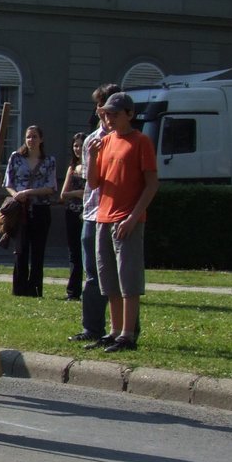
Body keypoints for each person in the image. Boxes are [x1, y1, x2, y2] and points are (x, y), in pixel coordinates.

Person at [86, 92, 158, 353]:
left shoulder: (141, 142)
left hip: (127, 220)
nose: (109, 119)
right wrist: (92, 157)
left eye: (115, 114)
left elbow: (151, 185)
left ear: (130, 114)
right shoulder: (105, 142)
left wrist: (133, 217)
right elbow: (93, 183)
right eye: (106, 114)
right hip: (103, 218)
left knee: (128, 279)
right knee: (108, 280)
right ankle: (114, 331)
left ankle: (128, 335)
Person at [70, 83, 121, 344]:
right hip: (93, 213)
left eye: (109, 106)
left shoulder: (127, 139)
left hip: (119, 214)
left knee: (121, 276)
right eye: (100, 105)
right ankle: (92, 328)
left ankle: (124, 330)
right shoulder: (92, 140)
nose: (103, 111)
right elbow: (92, 181)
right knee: (92, 274)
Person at [4, 125, 58, 297]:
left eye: (34, 137)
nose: (31, 140)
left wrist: (29, 192)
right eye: (28, 137)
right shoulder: (16, 157)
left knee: (38, 250)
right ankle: (19, 289)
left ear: (41, 139)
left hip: (40, 209)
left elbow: (51, 187)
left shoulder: (49, 161)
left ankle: (35, 289)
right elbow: (8, 183)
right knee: (20, 250)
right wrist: (16, 195)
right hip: (20, 210)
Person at [58, 131, 86, 300]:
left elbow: (92, 192)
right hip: (72, 213)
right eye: (75, 145)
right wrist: (77, 193)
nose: (78, 149)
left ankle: (93, 291)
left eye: (81, 145)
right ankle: (73, 292)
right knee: (74, 253)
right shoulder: (72, 168)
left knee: (88, 253)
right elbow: (63, 195)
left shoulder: (93, 167)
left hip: (87, 214)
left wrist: (81, 194)